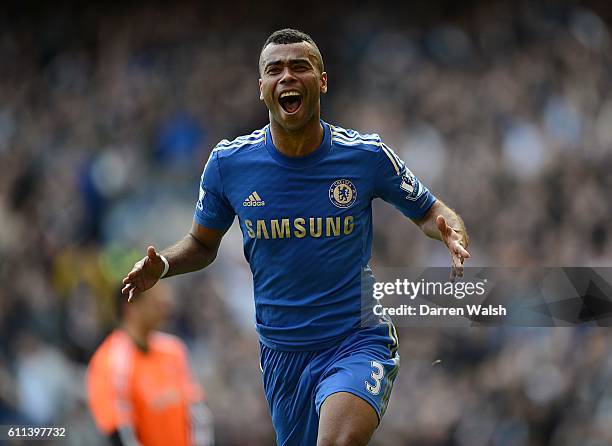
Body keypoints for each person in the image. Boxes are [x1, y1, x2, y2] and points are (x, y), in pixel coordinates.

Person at [121, 28, 470, 446]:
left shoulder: (365, 155)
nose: (287, 75)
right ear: (262, 88)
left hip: (356, 338)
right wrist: (165, 266)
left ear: (322, 81)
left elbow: (432, 212)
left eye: (299, 66)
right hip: (282, 354)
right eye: (275, 69)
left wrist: (450, 234)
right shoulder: (228, 165)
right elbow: (201, 245)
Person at [87, 283, 214, 446]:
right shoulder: (109, 362)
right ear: (130, 306)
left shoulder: (174, 350)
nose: (164, 304)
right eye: (154, 299)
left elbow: (198, 413)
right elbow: (119, 431)